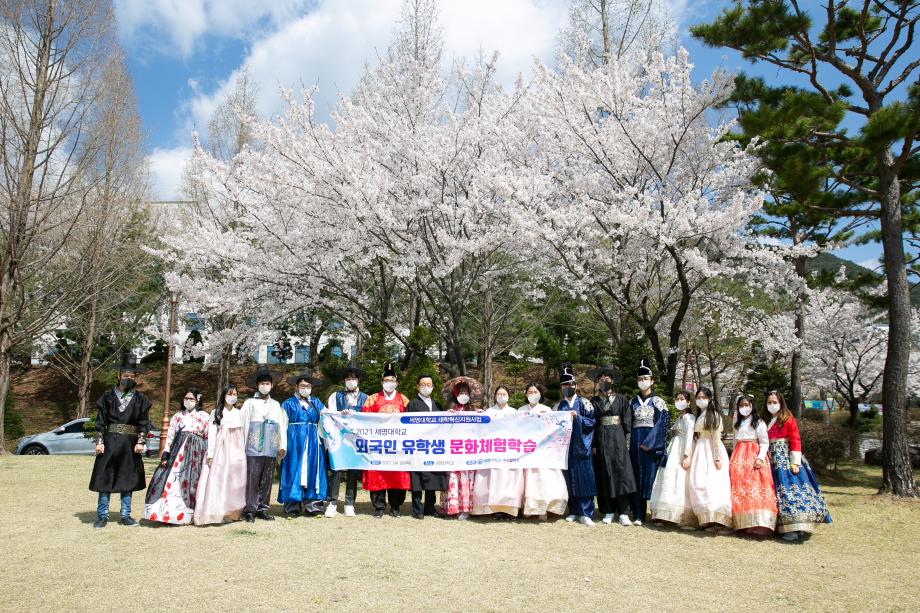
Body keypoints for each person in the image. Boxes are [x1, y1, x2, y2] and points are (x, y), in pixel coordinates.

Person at [88, 355, 152, 529]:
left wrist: (140, 441)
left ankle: (125, 515)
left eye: (131, 376)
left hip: (130, 444)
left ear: (135, 378)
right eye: (125, 375)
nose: (128, 378)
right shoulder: (107, 397)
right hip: (109, 441)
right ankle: (102, 515)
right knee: (104, 478)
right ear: (119, 376)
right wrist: (99, 441)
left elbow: (144, 423)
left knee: (127, 479)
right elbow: (100, 421)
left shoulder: (140, 399)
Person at [765, 391, 832, 541]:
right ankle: (783, 526)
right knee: (778, 492)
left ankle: (797, 527)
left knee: (792, 490)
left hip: (785, 458)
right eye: (769, 402)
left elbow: (795, 439)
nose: (771, 405)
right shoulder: (769, 420)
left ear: (781, 403)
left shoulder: (788, 419)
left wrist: (795, 461)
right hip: (772, 458)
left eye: (774, 402)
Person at [145, 387, 210, 525]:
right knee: (174, 480)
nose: (188, 401)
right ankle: (169, 513)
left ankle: (192, 514)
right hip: (178, 451)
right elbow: (170, 436)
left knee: (194, 482)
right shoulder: (177, 416)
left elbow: (208, 437)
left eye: (191, 399)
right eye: (186, 398)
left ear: (198, 401)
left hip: (197, 453)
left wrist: (209, 454)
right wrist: (165, 454)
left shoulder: (205, 416)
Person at [362, 362, 411, 518]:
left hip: (397, 446)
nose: (390, 383)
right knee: (377, 474)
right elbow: (362, 420)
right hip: (378, 446)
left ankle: (396, 506)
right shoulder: (372, 399)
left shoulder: (404, 400)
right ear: (382, 382)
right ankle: (379, 506)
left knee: (397, 474)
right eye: (386, 380)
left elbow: (411, 421)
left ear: (396, 382)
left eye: (392, 380)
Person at [589, 366, 636, 526]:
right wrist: (594, 444)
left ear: (612, 381)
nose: (604, 382)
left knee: (622, 473)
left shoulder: (622, 399)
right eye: (601, 379)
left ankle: (623, 511)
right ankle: (607, 511)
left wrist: (627, 441)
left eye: (607, 379)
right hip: (602, 437)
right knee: (604, 473)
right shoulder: (594, 401)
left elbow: (628, 421)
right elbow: (592, 423)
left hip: (619, 438)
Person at [194, 386, 247, 525]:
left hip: (237, 451)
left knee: (235, 481)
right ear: (224, 395)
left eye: (235, 394)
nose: (232, 396)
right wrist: (210, 454)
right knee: (218, 480)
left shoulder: (239, 413)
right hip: (220, 450)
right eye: (230, 394)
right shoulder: (216, 413)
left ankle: (232, 513)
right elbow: (211, 434)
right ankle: (215, 512)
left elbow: (243, 433)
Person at [241, 367, 288, 522]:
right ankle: (250, 509)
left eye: (267, 383)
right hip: (253, 446)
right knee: (252, 477)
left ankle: (263, 508)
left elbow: (281, 424)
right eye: (262, 383)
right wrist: (242, 445)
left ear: (272, 386)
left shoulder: (276, 404)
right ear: (257, 385)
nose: (265, 386)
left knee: (267, 478)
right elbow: (244, 424)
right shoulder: (249, 403)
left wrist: (282, 445)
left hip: (271, 445)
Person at [279, 370, 327, 517]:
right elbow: (281, 425)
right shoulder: (288, 404)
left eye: (308, 386)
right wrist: (282, 445)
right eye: (302, 385)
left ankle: (313, 506)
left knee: (313, 471)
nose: (305, 388)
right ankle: (292, 507)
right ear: (296, 387)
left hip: (313, 442)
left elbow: (329, 418)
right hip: (294, 442)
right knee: (293, 471)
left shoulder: (317, 403)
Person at [472, 386, 525, 519]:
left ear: (508, 395)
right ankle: (494, 509)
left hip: (510, 451)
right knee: (493, 480)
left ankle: (510, 510)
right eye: (499, 394)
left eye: (504, 393)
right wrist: (478, 416)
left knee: (510, 480)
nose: (502, 396)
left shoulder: (514, 412)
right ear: (495, 396)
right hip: (493, 451)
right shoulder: (489, 411)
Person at [554, 363, 596, 527]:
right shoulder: (558, 406)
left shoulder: (585, 403)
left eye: (570, 384)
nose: (567, 387)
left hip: (581, 446)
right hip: (565, 449)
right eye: (564, 385)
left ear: (575, 385)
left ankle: (586, 512)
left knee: (584, 478)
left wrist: (577, 417)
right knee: (568, 478)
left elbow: (592, 422)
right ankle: (573, 510)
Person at [324, 362, 368, 518]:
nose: (351, 380)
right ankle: (332, 502)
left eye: (354, 378)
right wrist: (339, 414)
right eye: (348, 378)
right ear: (344, 380)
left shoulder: (365, 398)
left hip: (356, 440)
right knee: (335, 470)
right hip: (338, 439)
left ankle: (350, 503)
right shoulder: (335, 396)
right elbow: (329, 415)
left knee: (353, 472)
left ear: (358, 380)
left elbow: (369, 419)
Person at [518, 383, 568, 520]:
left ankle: (543, 509)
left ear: (540, 394)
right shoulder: (521, 410)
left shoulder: (546, 409)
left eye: (535, 392)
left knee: (543, 478)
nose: (532, 394)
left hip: (543, 448)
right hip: (526, 449)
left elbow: (553, 426)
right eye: (530, 392)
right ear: (525, 393)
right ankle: (529, 508)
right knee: (529, 478)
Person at [729, 393, 777, 535]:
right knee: (739, 487)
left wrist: (760, 458)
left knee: (755, 485)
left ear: (752, 406)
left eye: (747, 405)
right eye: (741, 405)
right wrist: (732, 456)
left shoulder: (759, 422)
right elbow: (735, 441)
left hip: (753, 453)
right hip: (738, 455)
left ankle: (759, 523)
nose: (744, 408)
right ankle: (742, 523)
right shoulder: (737, 422)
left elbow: (764, 442)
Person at [629, 357, 669, 526]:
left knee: (651, 479)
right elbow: (628, 424)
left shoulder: (658, 402)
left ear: (652, 381)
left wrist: (650, 442)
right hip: (635, 444)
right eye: (640, 379)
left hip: (651, 447)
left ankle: (656, 514)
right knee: (636, 478)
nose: (643, 381)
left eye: (645, 379)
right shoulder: (632, 402)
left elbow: (662, 424)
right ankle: (638, 514)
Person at [687, 387, 732, 531]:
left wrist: (717, 457)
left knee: (712, 484)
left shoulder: (714, 415)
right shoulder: (699, 415)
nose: (701, 400)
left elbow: (716, 439)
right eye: (698, 397)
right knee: (698, 483)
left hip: (711, 450)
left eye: (703, 397)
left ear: (709, 398)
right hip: (699, 451)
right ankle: (704, 518)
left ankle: (716, 519)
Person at [650, 390, 697, 528]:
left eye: (682, 399)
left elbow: (689, 436)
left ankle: (682, 516)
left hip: (682, 449)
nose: (679, 401)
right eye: (677, 399)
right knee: (669, 479)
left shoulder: (689, 417)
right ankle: (666, 515)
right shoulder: (680, 417)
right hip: (674, 449)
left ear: (688, 402)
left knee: (681, 480)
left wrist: (687, 456)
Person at [405, 374, 447, 519]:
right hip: (418, 447)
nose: (426, 387)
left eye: (429, 384)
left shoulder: (437, 405)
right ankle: (417, 509)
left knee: (433, 477)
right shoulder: (412, 404)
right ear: (417, 386)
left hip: (433, 448)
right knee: (417, 478)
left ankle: (430, 507)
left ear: (433, 387)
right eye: (423, 384)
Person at [444, 380, 478, 519]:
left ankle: (465, 507)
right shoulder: (451, 409)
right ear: (456, 394)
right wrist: (446, 415)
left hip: (469, 449)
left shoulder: (474, 410)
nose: (463, 395)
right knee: (453, 476)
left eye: (466, 392)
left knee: (466, 477)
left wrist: (480, 415)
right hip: (453, 448)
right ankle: (452, 506)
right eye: (461, 392)